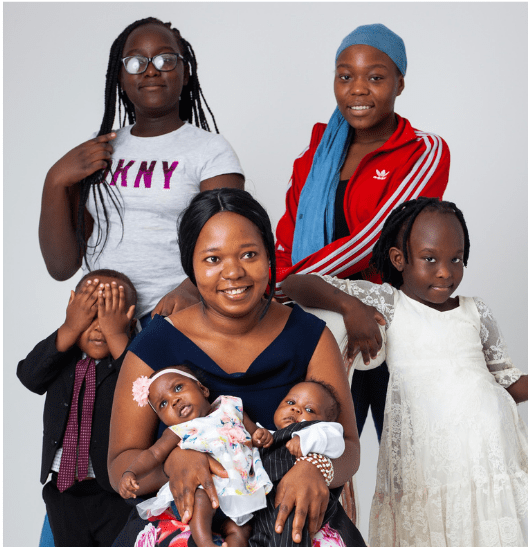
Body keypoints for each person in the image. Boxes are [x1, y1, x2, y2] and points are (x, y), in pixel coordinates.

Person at [281, 197, 528, 547]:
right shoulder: (390, 303)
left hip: (496, 458)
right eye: (430, 259)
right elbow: (294, 284)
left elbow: (508, 387)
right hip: (432, 466)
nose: (445, 271)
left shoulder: (476, 311)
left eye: (456, 259)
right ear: (399, 259)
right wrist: (351, 307)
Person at [108, 188, 364, 547]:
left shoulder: (309, 337)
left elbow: (349, 445)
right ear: (191, 267)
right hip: (191, 517)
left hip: (288, 517)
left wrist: (315, 468)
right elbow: (121, 463)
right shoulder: (155, 345)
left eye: (249, 254)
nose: (233, 272)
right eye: (212, 259)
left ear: (269, 256)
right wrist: (175, 461)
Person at [274, 23, 450, 440]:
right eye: (345, 75)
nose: (358, 89)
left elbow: (376, 240)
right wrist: (295, 288)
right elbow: (283, 240)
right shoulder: (315, 155)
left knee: (412, 461)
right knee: (318, 457)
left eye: (375, 76)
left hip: (393, 326)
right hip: (318, 325)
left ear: (399, 83)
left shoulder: (424, 150)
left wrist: (291, 285)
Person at [38, 17, 245, 330]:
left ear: (185, 71)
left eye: (165, 59)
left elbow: (234, 244)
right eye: (135, 62)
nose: (151, 70)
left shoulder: (210, 151)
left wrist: (191, 289)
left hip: (178, 318)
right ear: (120, 76)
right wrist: (55, 180)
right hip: (101, 322)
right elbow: (61, 266)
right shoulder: (100, 150)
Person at [17, 269, 138, 547]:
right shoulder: (61, 356)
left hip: (115, 491)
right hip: (64, 489)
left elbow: (143, 392)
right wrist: (69, 328)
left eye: (110, 317)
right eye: (91, 315)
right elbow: (29, 376)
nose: (99, 327)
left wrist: (118, 336)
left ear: (130, 321)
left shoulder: (128, 363)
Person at [119, 365, 274, 547]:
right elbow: (153, 454)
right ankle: (205, 542)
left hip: (238, 491)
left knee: (241, 529)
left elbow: (253, 434)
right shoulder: (177, 430)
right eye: (163, 404)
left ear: (202, 389)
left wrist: (260, 436)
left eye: (177, 388)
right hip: (202, 488)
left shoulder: (230, 406)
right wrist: (131, 472)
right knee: (200, 499)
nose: (174, 401)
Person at [250, 380, 359, 547]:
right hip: (265, 510)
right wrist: (260, 437)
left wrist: (305, 440)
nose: (296, 409)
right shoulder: (271, 435)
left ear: (324, 421)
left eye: (309, 410)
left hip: (300, 498)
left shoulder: (320, 430)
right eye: (290, 402)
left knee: (292, 534)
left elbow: (337, 443)